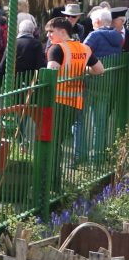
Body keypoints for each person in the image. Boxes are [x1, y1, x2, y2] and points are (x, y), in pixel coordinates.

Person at [45, 17, 104, 175]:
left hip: (56, 101)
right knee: (59, 140)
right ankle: (55, 177)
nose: (48, 35)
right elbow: (100, 69)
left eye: (51, 31)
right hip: (75, 102)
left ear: (63, 32)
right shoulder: (84, 48)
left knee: (52, 142)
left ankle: (53, 177)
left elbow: (50, 73)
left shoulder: (56, 49)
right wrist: (83, 70)